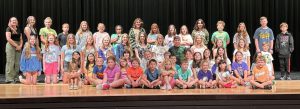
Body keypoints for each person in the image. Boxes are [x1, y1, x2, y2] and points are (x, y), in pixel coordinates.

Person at [5, 17, 23, 83]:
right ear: (10, 21)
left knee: (17, 63)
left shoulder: (18, 28)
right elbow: (8, 39)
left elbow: (21, 39)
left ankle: (15, 77)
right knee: (10, 62)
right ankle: (9, 79)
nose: (14, 21)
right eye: (12, 20)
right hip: (11, 45)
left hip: (18, 45)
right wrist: (16, 46)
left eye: (15, 20)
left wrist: (20, 46)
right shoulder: (8, 28)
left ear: (17, 21)